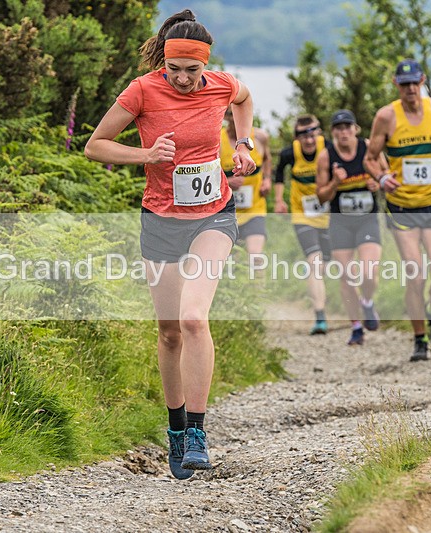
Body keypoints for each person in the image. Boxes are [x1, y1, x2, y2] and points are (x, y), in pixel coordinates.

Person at [84, 9, 256, 479]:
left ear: (206, 64)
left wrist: (244, 146)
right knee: (169, 332)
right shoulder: (142, 90)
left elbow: (244, 99)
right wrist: (145, 153)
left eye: (191, 70)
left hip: (212, 215)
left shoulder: (221, 84)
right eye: (173, 68)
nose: (181, 78)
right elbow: (95, 145)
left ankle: (198, 433)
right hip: (160, 220)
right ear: (165, 60)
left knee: (193, 318)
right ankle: (175, 428)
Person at [364, 59, 431, 362]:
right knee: (416, 275)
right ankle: (420, 339)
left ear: (422, 81)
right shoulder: (386, 116)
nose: (410, 89)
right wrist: (382, 178)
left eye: (414, 83)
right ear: (397, 85)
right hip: (402, 208)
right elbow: (370, 159)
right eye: (404, 84)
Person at [316, 110, 384, 346]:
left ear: (355, 129)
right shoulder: (326, 157)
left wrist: (377, 183)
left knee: (368, 272)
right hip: (340, 222)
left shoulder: (369, 148)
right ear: (333, 132)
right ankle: (356, 326)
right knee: (346, 277)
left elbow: (385, 175)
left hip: (367, 219)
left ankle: (367, 301)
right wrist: (336, 182)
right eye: (338, 128)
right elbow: (321, 196)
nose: (343, 132)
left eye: (347, 127)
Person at [274, 114, 331, 334]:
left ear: (318, 132)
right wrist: (279, 200)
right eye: (302, 134)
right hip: (302, 215)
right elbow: (279, 174)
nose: (308, 139)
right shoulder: (290, 153)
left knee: (328, 261)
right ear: (296, 137)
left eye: (312, 132)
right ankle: (320, 316)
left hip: (329, 215)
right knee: (314, 261)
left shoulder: (328, 148)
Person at [220, 105, 272, 268]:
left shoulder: (260, 137)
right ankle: (239, 292)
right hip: (226, 212)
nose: (236, 118)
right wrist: (227, 182)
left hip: (254, 209)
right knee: (231, 262)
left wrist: (267, 179)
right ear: (226, 117)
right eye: (231, 114)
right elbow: (207, 174)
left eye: (240, 114)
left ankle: (260, 293)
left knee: (255, 257)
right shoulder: (217, 141)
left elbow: (267, 159)